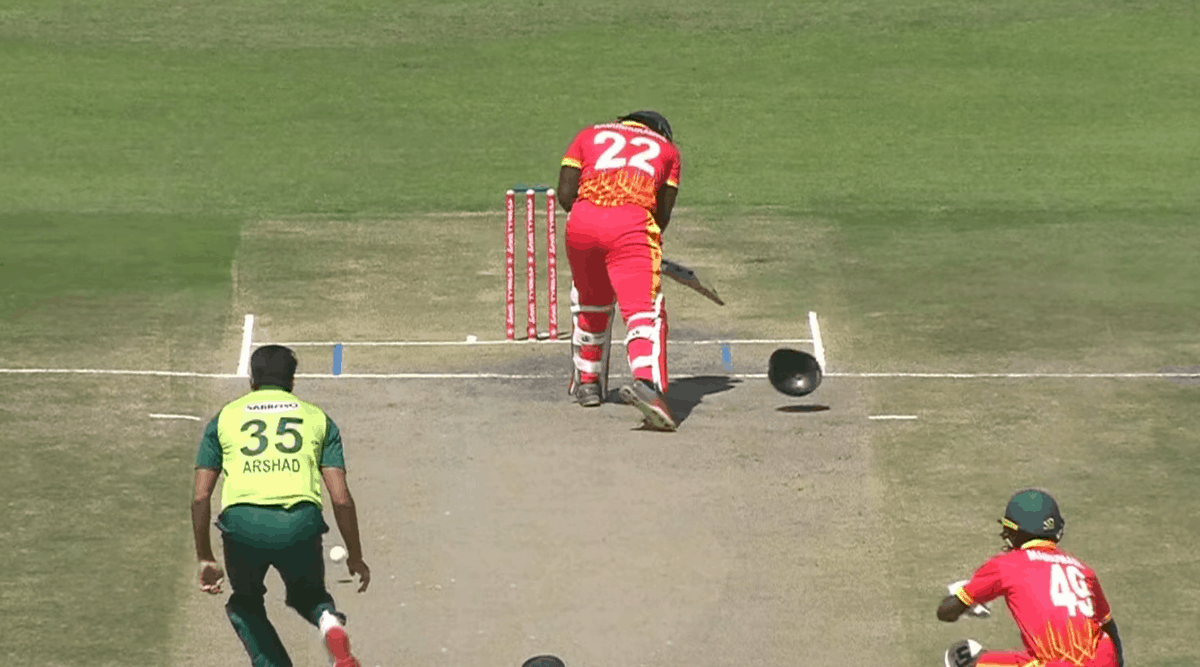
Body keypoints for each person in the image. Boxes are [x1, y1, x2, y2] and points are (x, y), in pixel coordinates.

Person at [191, 344, 370, 667]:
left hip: (243, 524)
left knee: (245, 603)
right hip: (300, 522)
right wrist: (355, 555)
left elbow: (201, 496)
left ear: (252, 380)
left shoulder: (224, 418)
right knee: (309, 596)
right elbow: (340, 497)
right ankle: (329, 622)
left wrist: (205, 556)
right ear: (292, 380)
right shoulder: (317, 418)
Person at [557, 110, 682, 431]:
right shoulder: (668, 150)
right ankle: (648, 386)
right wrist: (633, 245)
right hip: (631, 225)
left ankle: (588, 384)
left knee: (591, 302)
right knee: (644, 310)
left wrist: (596, 220)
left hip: (581, 224)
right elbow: (662, 214)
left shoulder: (588, 134)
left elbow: (565, 195)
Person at [937, 488, 1125, 667]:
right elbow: (1109, 628)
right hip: (1105, 661)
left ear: (1017, 531)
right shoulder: (1084, 571)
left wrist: (962, 600)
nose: (1004, 534)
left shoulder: (1006, 564)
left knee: (963, 659)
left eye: (1008, 529)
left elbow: (946, 613)